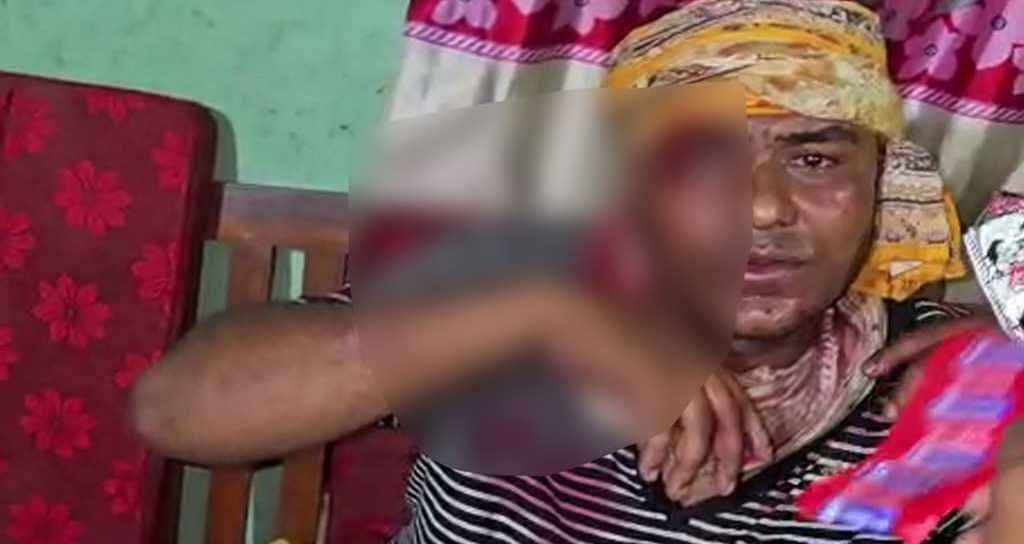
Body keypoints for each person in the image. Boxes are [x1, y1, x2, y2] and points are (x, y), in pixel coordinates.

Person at [132, 1, 1016, 542]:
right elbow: (178, 411)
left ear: (876, 190)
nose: (760, 210)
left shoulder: (949, 385)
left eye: (814, 160)